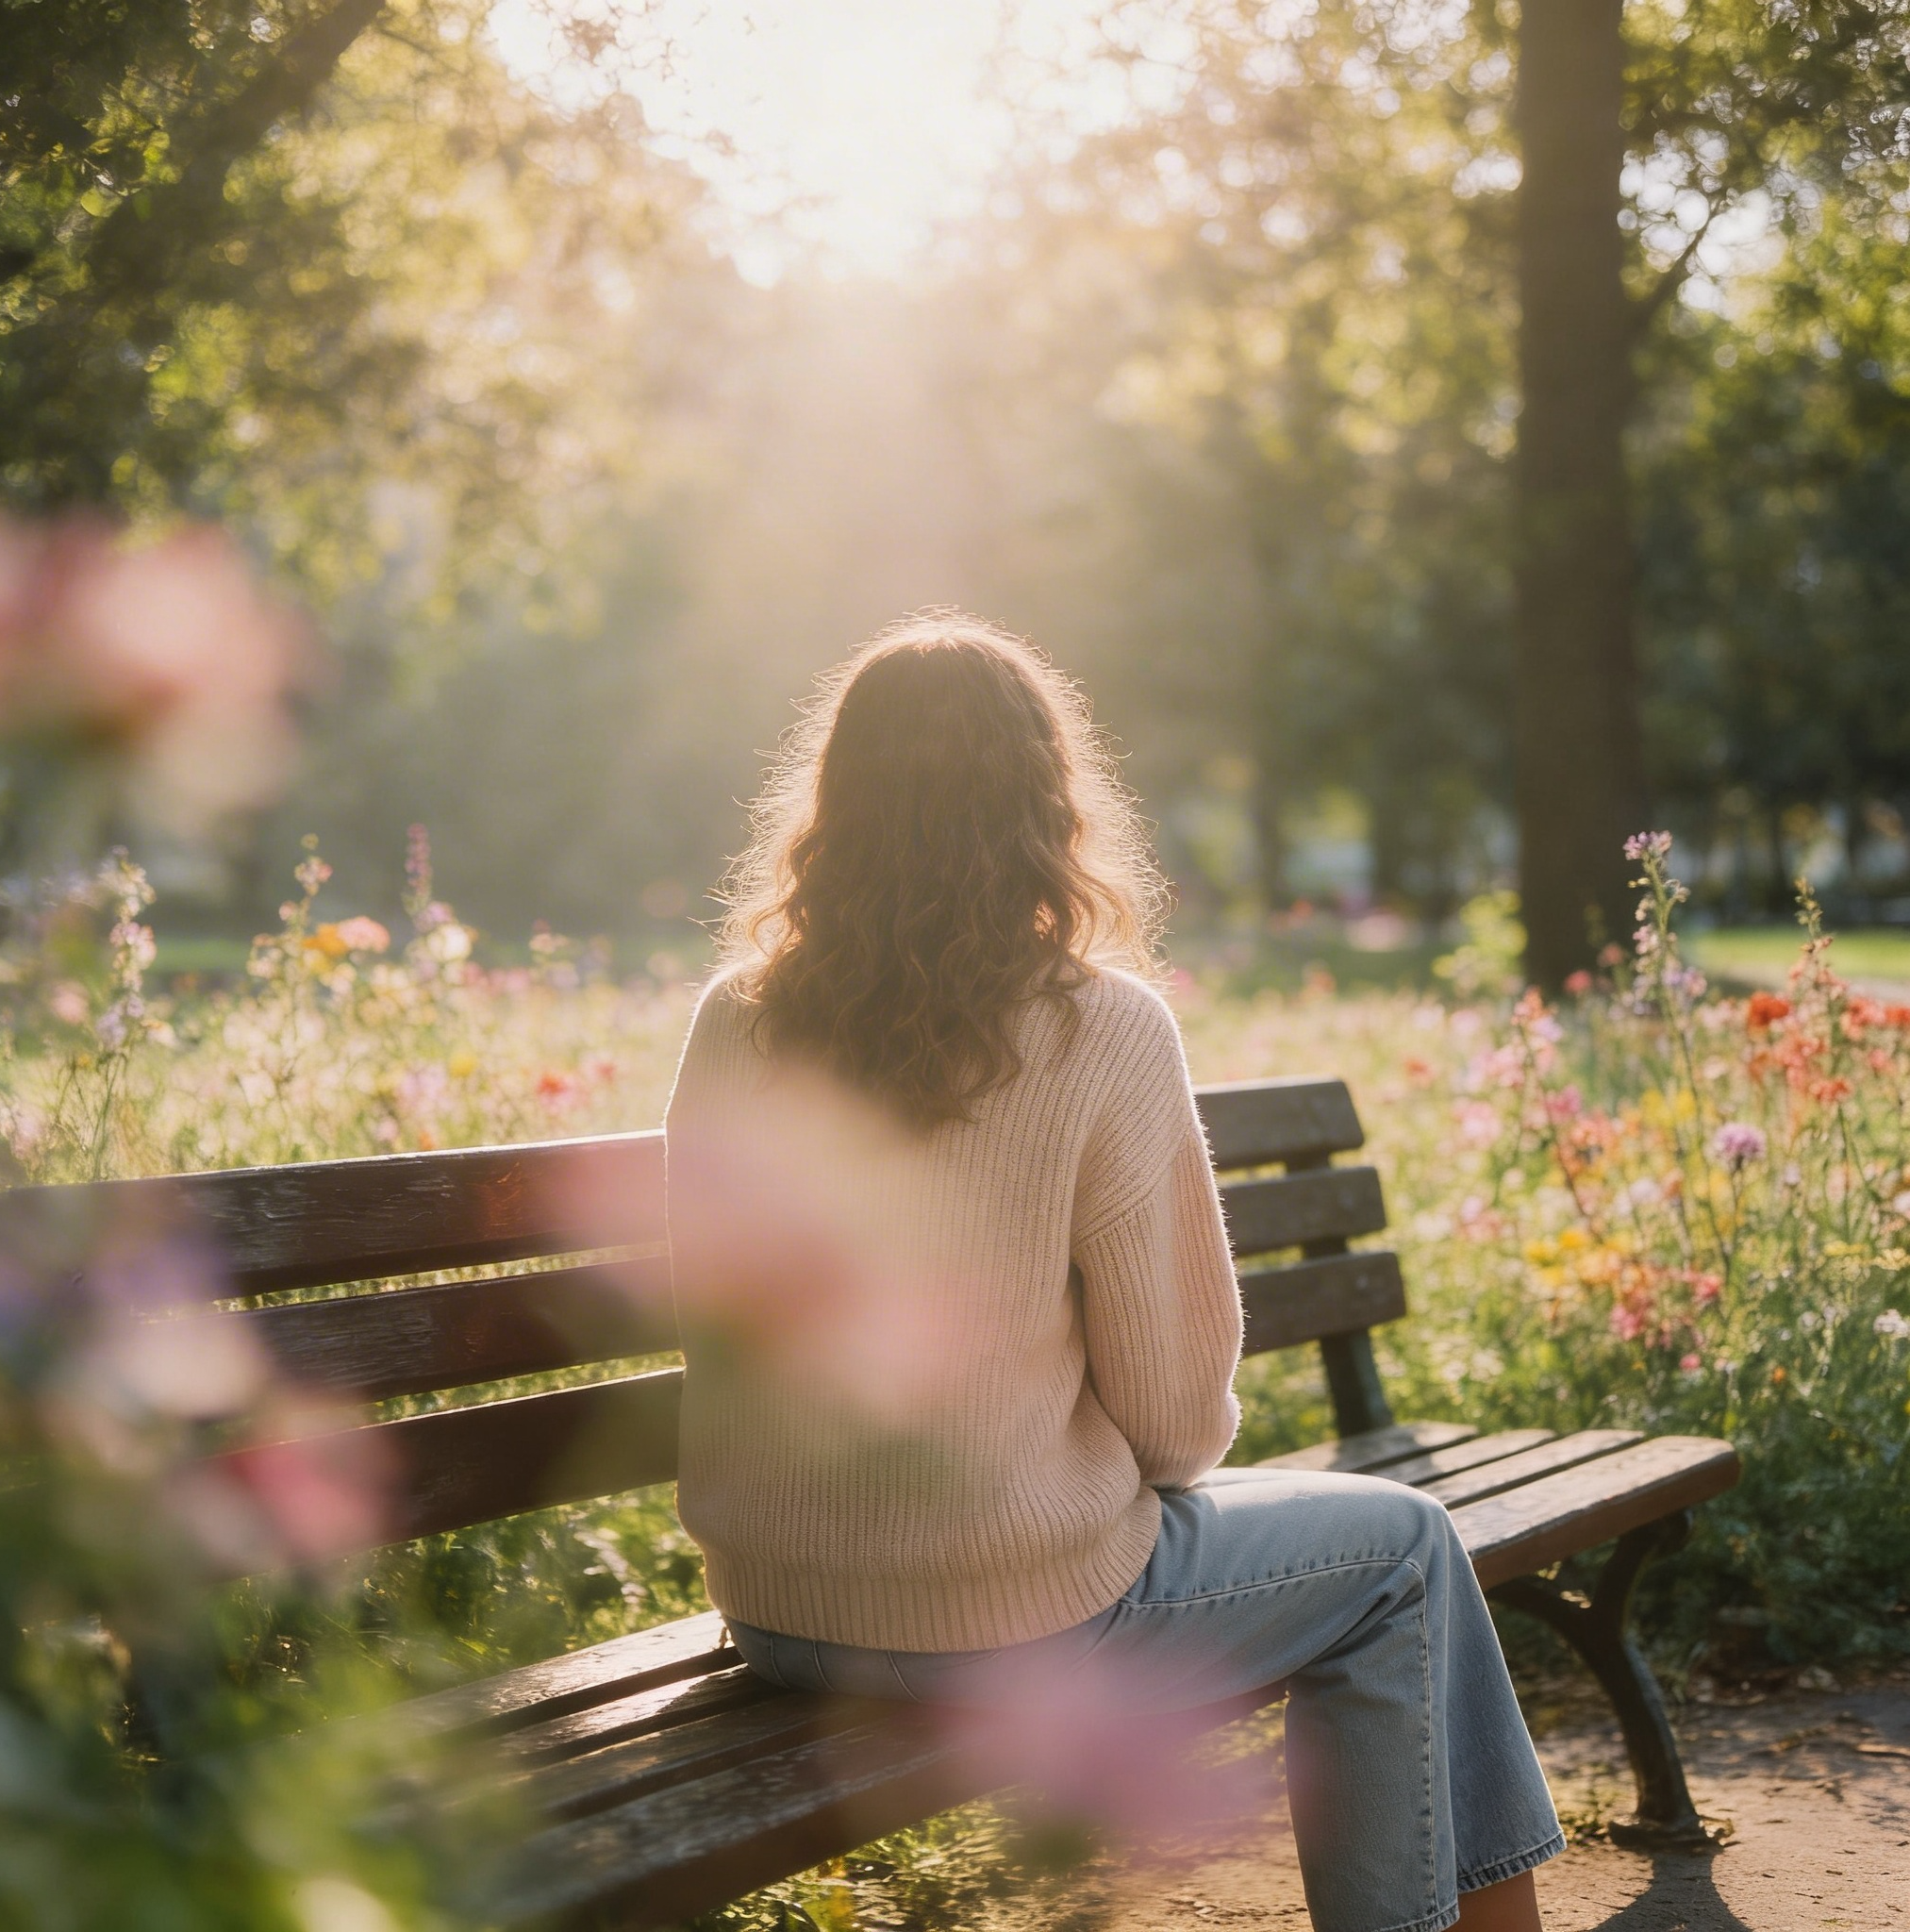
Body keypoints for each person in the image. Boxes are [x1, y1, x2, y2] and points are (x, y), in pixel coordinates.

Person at [662, 612, 1561, 1932]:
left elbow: (712, 1311)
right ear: (1042, 804)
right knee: (1405, 1551)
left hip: (779, 1608)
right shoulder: (1102, 1027)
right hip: (1010, 1621)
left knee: (1392, 1550)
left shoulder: (738, 1018)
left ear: (837, 802)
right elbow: (1180, 1420)